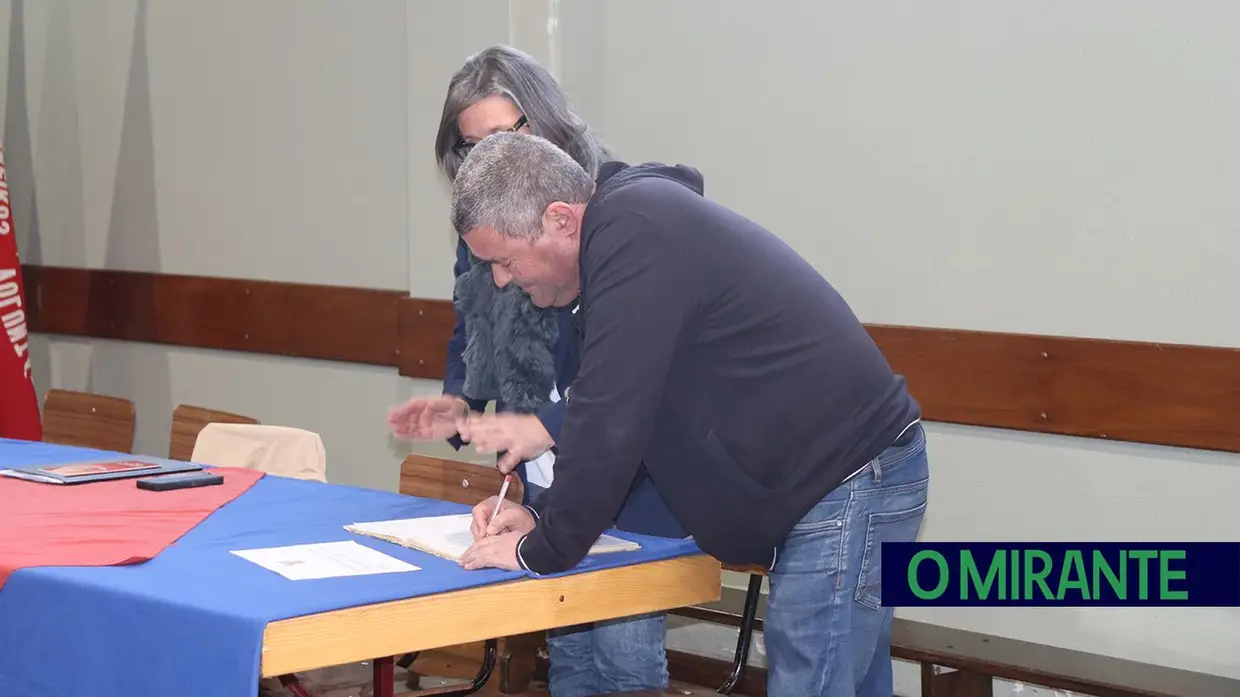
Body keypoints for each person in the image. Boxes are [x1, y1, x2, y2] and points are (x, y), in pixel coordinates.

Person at [448, 130, 931, 697]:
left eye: (503, 260)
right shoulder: (628, 235)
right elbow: (634, 421)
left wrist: (539, 549)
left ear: (560, 219)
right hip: (844, 477)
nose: (501, 280)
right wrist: (542, 515)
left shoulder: (634, 235)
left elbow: (609, 420)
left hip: (846, 478)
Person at [386, 45, 681, 697]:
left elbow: (624, 374)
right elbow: (475, 328)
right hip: (550, 471)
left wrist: (548, 423)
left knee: (624, 654)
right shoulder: (486, 229)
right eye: (470, 147)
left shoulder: (608, 216)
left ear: (544, 120)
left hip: (623, 468)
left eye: (499, 136)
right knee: (569, 650)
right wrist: (461, 403)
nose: (485, 159)